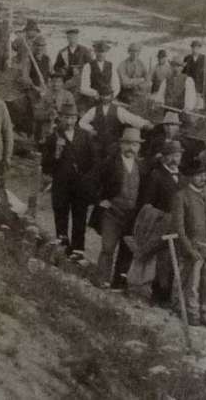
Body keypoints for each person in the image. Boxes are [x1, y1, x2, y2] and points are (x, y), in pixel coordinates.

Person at [172, 158, 206, 327]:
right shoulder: (181, 196)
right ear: (189, 177)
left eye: (204, 174)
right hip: (195, 247)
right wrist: (189, 249)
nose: (202, 178)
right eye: (198, 175)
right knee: (192, 283)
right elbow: (180, 229)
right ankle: (192, 313)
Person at [92, 128, 145, 289]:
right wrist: (99, 200)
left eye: (135, 144)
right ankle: (101, 280)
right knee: (108, 247)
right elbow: (91, 181)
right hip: (112, 213)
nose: (131, 148)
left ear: (139, 147)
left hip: (131, 216)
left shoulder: (141, 166)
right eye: (127, 143)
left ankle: (118, 283)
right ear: (121, 144)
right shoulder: (109, 162)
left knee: (126, 249)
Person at [41, 102, 94, 258]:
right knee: (61, 216)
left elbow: (93, 161)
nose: (69, 121)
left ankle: (78, 251)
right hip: (61, 185)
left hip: (80, 185)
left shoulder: (85, 136)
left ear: (77, 118)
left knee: (80, 218)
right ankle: (62, 248)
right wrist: (56, 153)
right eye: (66, 118)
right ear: (60, 118)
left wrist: (87, 180)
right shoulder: (53, 137)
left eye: (72, 118)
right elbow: (45, 165)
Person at [79, 89, 152, 160]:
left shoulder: (118, 110)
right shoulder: (94, 110)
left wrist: (144, 124)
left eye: (107, 95)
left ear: (112, 96)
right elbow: (82, 122)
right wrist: (91, 129)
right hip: (98, 143)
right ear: (100, 96)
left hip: (113, 144)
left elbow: (132, 119)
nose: (105, 97)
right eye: (103, 95)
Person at [35, 71, 75, 144]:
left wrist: (60, 115)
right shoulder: (45, 96)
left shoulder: (68, 95)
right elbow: (37, 114)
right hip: (48, 126)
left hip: (64, 126)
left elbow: (73, 113)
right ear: (50, 83)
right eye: (53, 81)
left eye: (59, 82)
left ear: (63, 83)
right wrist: (48, 115)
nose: (55, 84)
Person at [79, 40, 120, 106]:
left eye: (103, 52)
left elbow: (116, 85)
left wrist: (112, 96)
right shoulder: (88, 66)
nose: (101, 54)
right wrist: (95, 93)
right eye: (98, 51)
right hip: (93, 99)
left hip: (108, 98)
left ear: (106, 52)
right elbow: (83, 87)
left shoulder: (111, 65)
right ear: (95, 52)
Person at [54, 27, 93, 95]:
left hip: (81, 79)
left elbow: (91, 65)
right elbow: (56, 66)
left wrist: (81, 70)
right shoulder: (63, 52)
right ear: (67, 39)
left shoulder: (84, 50)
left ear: (77, 38)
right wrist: (62, 70)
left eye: (74, 37)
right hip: (67, 79)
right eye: (70, 38)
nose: (72, 40)